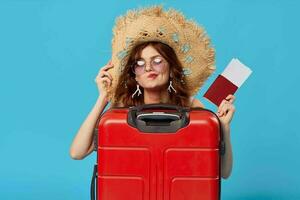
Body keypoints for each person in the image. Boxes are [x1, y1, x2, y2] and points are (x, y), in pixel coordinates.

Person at [70, 6, 236, 179]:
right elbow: (77, 152)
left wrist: (224, 127)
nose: (148, 67)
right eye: (140, 64)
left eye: (157, 61)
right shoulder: (121, 111)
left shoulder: (191, 106)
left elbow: (223, 173)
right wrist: (103, 98)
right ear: (135, 76)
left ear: (171, 69)